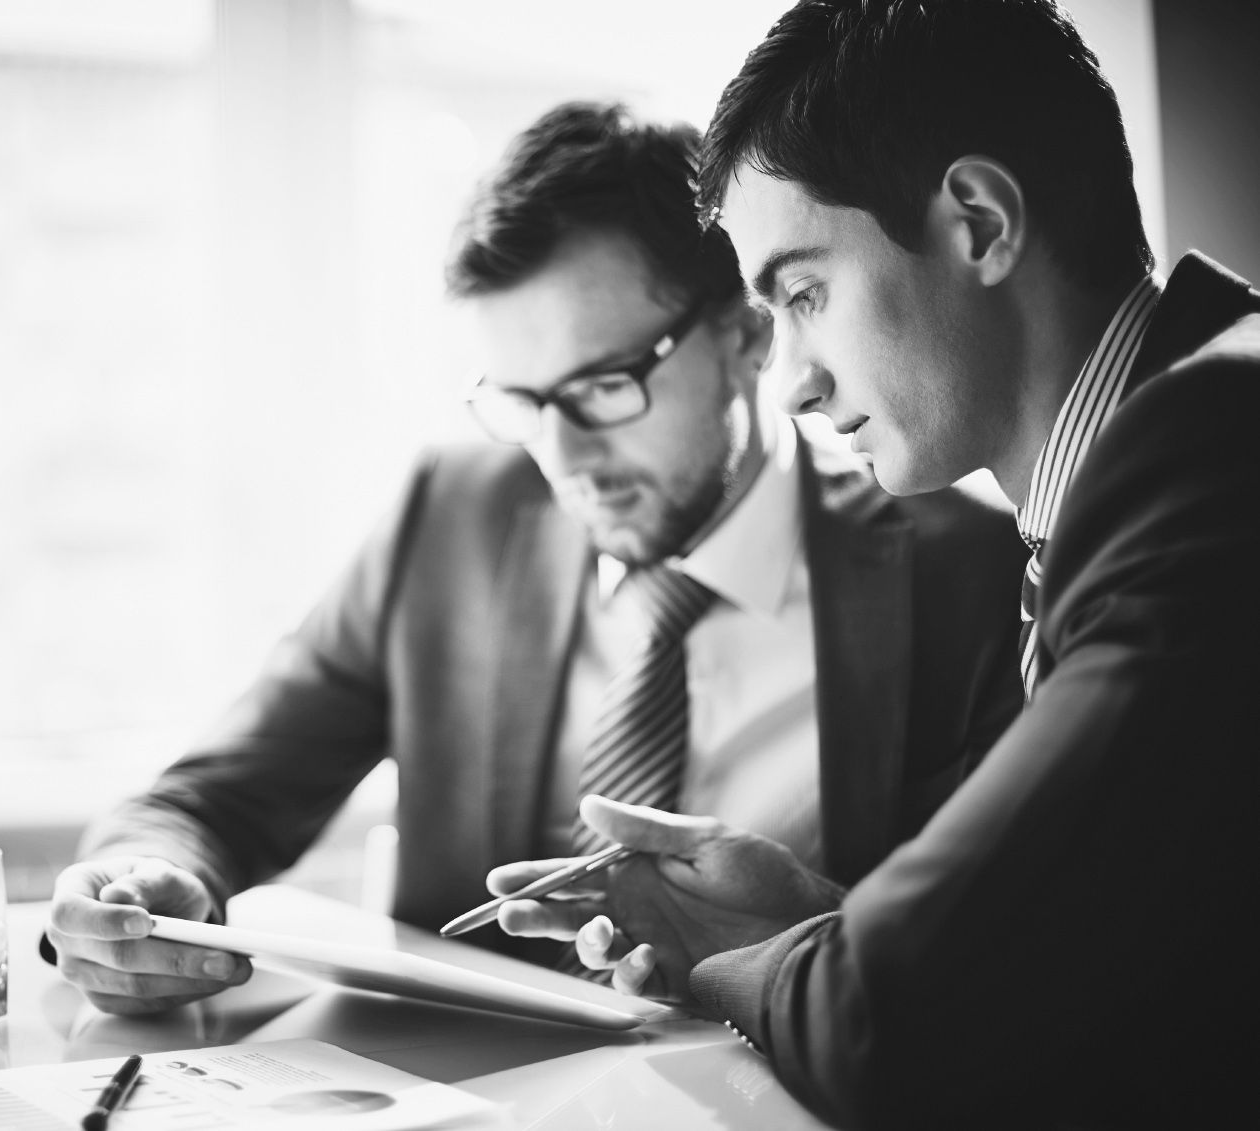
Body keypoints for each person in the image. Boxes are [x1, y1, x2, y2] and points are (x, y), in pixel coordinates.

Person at [42, 100, 1025, 1017]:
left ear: (745, 333)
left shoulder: (966, 576)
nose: (564, 461)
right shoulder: (451, 517)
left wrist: (818, 933)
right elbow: (215, 795)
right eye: (522, 402)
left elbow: (1004, 962)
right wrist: (143, 881)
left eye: (603, 387)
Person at [491, 3, 1258, 1127]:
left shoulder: (1206, 457)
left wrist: (756, 962)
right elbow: (1105, 972)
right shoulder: (1145, 464)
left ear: (980, 223)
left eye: (804, 294)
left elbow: (897, 1021)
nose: (791, 382)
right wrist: (819, 928)